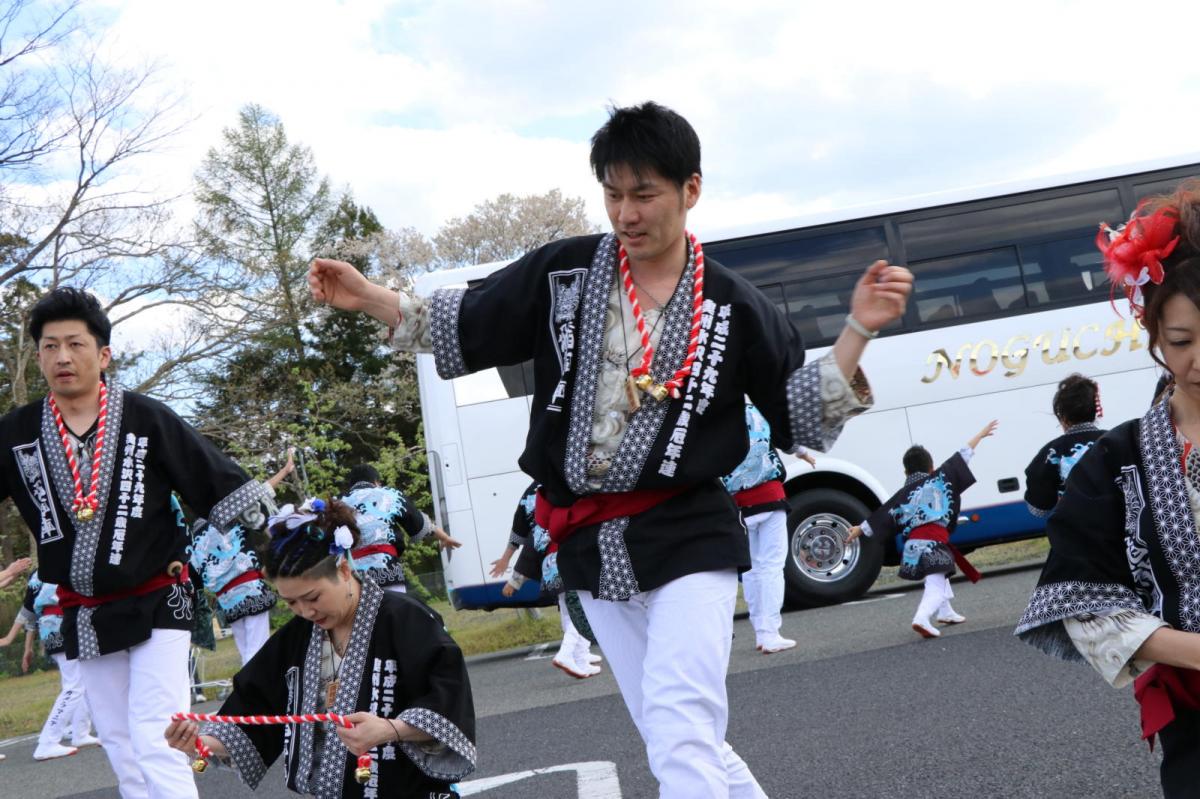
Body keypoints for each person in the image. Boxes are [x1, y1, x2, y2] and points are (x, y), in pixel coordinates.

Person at [309, 100, 911, 798]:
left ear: (691, 189)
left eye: (645, 193)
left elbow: (800, 415)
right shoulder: (564, 273)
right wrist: (370, 296)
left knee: (682, 725)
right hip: (591, 543)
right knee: (677, 733)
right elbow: (467, 321)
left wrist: (857, 331)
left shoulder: (734, 304)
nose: (627, 213)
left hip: (691, 533)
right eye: (614, 194)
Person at [0, 287, 278, 799]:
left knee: (158, 735)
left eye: (76, 344)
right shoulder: (16, 433)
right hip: (83, 608)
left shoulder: (146, 418)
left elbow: (216, 481)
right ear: (38, 355)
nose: (62, 357)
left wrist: (279, 540)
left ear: (103, 354)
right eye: (49, 346)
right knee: (119, 741)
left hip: (159, 597)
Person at [1014, 183, 1200, 797]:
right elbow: (1083, 604)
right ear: (1153, 339)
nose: (1199, 358)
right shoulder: (1115, 461)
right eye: (1181, 342)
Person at [164, 498, 476, 798]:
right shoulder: (297, 636)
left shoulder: (406, 618)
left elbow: (448, 698)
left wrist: (390, 729)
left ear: (342, 569)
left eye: (313, 597)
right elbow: (256, 706)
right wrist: (200, 742)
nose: (305, 611)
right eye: (290, 602)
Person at [848, 420, 998, 638]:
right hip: (932, 542)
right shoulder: (941, 477)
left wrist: (859, 530)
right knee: (935, 584)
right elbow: (964, 453)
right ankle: (921, 618)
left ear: (905, 471)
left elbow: (881, 515)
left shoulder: (904, 493)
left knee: (939, 574)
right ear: (931, 467)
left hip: (912, 547)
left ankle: (946, 612)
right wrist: (980, 435)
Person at [721, 403, 814, 654]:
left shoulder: (715, 414)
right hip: (770, 497)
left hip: (737, 504)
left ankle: (759, 632)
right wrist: (802, 452)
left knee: (750, 570)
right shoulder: (757, 409)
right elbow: (783, 436)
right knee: (772, 566)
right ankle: (770, 632)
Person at [190, 450, 297, 664]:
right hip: (249, 588)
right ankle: (258, 692)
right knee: (258, 648)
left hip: (226, 597)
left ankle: (248, 690)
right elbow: (260, 492)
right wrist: (285, 470)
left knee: (246, 649)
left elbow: (194, 570)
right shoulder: (230, 509)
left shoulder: (195, 532)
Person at [493, 481, 601, 678]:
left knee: (570, 612)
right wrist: (515, 580)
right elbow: (533, 545)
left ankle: (581, 655)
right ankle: (567, 654)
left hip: (553, 566)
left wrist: (508, 562)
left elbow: (520, 530)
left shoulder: (531, 492)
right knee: (582, 610)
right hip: (568, 562)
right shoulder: (552, 493)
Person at [14, 569, 101, 760]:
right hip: (62, 622)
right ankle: (48, 741)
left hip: (50, 624)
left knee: (80, 680)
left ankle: (80, 732)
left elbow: (28, 608)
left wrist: (23, 642)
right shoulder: (69, 557)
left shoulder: (38, 573)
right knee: (74, 685)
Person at [340, 464, 461, 594]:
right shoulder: (388, 494)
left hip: (354, 575)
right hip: (387, 569)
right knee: (396, 611)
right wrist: (445, 537)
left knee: (367, 613)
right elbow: (419, 522)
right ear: (376, 482)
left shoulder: (339, 503)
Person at [1023, 374, 1105, 518]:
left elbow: (1038, 509)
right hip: (1119, 528)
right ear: (1094, 412)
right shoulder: (1115, 440)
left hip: (1076, 530)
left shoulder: (1052, 452)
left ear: (1063, 416)